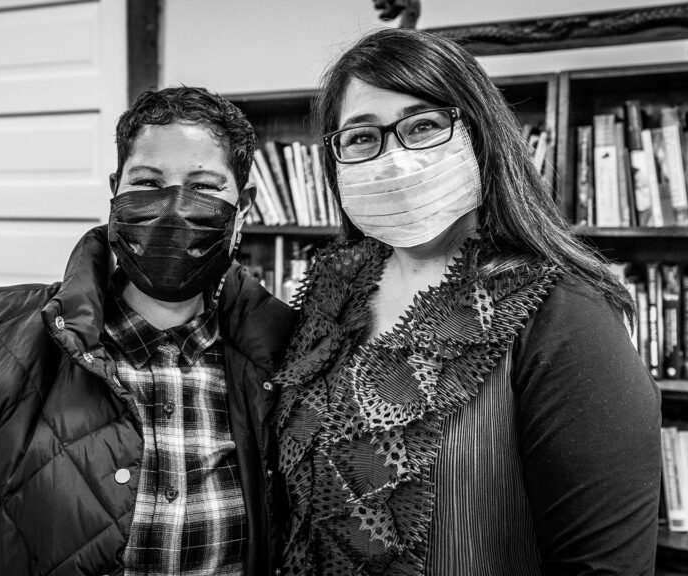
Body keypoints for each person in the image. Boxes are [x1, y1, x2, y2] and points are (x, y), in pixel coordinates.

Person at [0, 87, 295, 576]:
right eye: (147, 181)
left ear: (242, 211)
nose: (173, 207)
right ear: (115, 193)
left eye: (204, 187)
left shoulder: (287, 357)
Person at [274, 28, 661, 575]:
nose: (394, 159)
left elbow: (604, 567)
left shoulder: (565, 314)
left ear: (479, 136)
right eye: (362, 137)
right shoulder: (330, 293)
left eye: (424, 126)